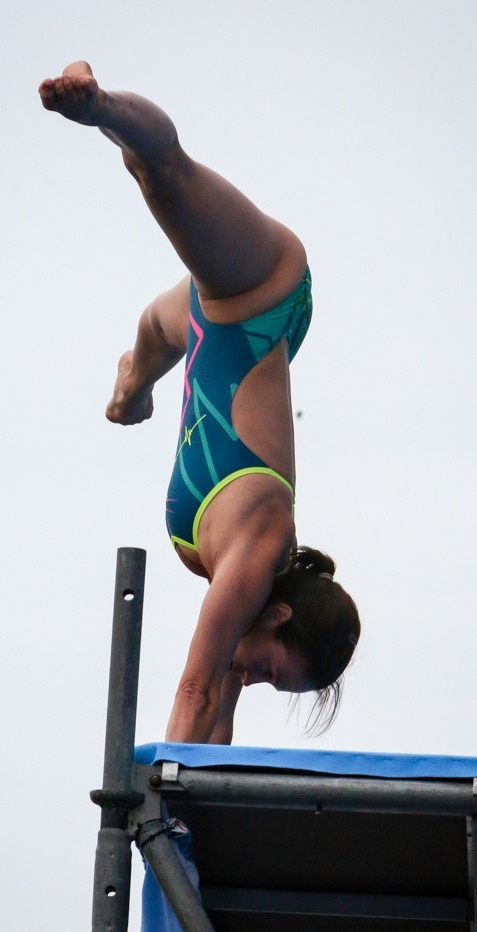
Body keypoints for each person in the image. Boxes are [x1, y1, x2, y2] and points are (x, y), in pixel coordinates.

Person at [39, 61, 360, 745]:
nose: (256, 681)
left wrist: (197, 840)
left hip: (203, 325)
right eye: (275, 674)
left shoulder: (242, 591)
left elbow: (215, 710)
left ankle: (134, 381)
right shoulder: (258, 547)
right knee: (162, 174)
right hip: (262, 292)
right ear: (276, 619)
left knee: (154, 344)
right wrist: (168, 823)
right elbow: (194, 687)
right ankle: (98, 104)